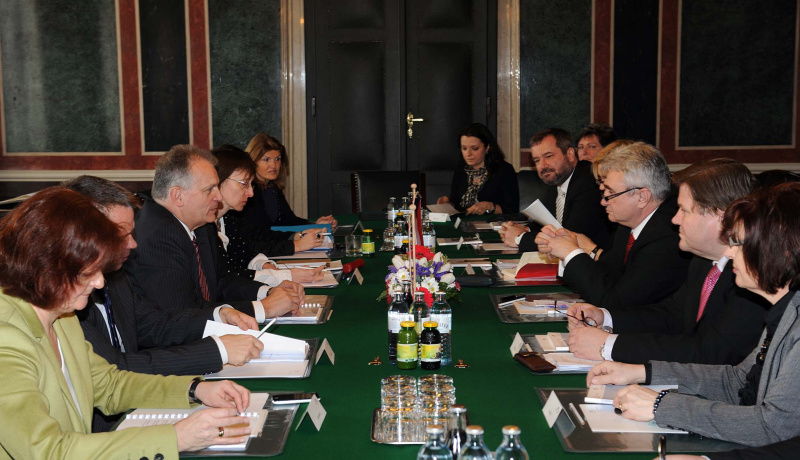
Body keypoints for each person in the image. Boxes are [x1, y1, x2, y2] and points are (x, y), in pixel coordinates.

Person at [0, 187, 253, 458]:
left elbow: (110, 385)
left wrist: (195, 389)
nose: (99, 282)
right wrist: (175, 438)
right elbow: (48, 451)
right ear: (46, 267)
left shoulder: (62, 314)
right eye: (87, 272)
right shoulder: (8, 339)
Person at [587, 183, 800, 447]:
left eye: (738, 243)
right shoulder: (785, 311)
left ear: (781, 251)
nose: (729, 251)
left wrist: (661, 405)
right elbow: (736, 381)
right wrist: (643, 372)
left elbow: (772, 426)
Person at [65, 175, 265, 432]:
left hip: (137, 411)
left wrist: (219, 315)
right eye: (121, 234)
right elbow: (116, 369)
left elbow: (154, 322)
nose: (133, 244)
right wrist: (217, 351)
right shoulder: (65, 299)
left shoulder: (113, 276)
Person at [566, 159, 767, 364]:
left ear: (721, 216)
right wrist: (606, 317)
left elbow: (712, 352)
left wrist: (609, 345)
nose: (675, 219)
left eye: (684, 210)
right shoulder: (703, 261)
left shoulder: (753, 275)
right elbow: (673, 315)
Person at [126, 144, 303, 322]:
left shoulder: (200, 223)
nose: (218, 197)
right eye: (210, 189)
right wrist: (264, 308)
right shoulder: (159, 235)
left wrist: (268, 291)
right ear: (177, 196)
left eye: (217, 187)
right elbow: (182, 314)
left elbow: (220, 280)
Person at [535, 141, 691, 309]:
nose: (603, 201)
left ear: (642, 197)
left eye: (610, 193)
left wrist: (571, 253)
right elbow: (609, 274)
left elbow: (615, 302)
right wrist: (570, 248)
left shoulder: (667, 236)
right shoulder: (627, 222)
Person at [211, 145, 324, 283]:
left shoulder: (227, 219)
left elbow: (245, 252)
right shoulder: (205, 226)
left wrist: (266, 265)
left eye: (277, 159)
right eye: (244, 184)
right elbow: (226, 278)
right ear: (218, 180)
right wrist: (286, 273)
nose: (251, 193)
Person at [499, 127, 611, 251]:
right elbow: (553, 224)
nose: (543, 166)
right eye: (537, 160)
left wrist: (519, 238)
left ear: (570, 154)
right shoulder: (557, 179)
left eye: (549, 156)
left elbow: (569, 238)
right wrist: (525, 229)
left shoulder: (588, 181)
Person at [243, 133, 336, 229]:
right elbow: (263, 232)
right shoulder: (248, 192)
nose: (274, 165)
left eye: (277, 159)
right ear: (253, 161)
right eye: (266, 159)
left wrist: (315, 225)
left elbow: (289, 221)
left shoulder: (272, 187)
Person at [436, 123, 519, 215]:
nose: (468, 154)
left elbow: (513, 210)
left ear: (487, 148)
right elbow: (456, 204)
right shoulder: (461, 169)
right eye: (464, 148)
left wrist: (489, 206)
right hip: (464, 224)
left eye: (475, 148)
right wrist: (447, 204)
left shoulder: (504, 170)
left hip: (493, 225)